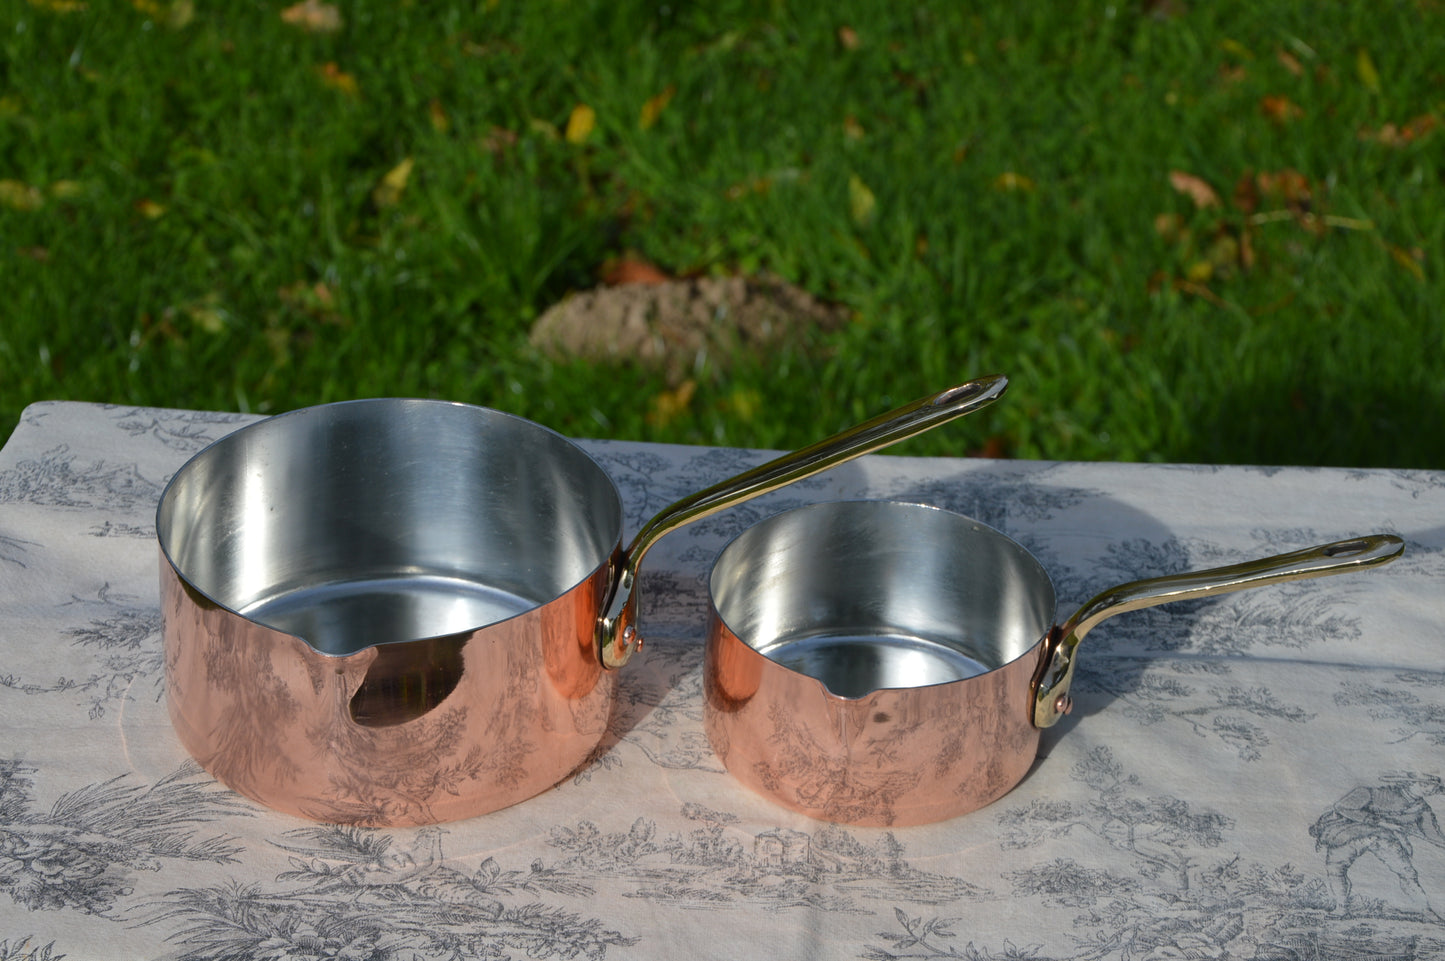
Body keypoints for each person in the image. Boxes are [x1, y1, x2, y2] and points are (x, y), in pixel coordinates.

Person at [1310, 772, 1445, 921]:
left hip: (1383, 838)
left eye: (1432, 786)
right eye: (1423, 784)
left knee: (1407, 872)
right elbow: (1342, 807)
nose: (1428, 789)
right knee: (1336, 869)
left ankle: (1425, 910)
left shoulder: (1422, 809)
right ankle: (1341, 908)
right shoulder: (1372, 792)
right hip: (1348, 835)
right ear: (1408, 783)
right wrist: (1380, 822)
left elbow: (1432, 834)